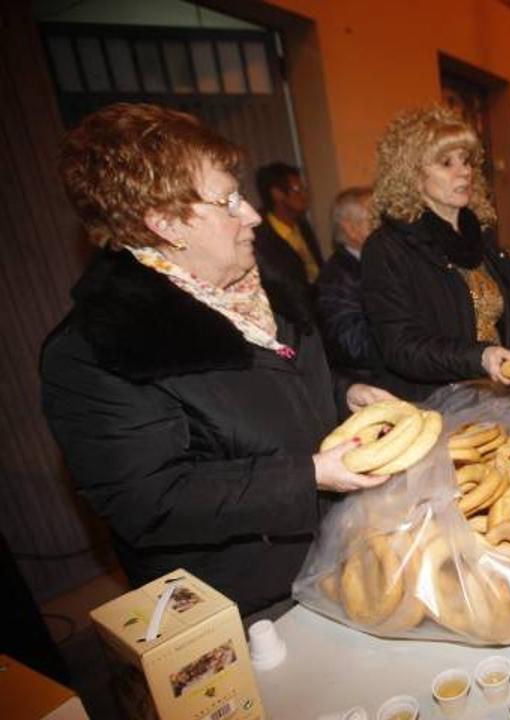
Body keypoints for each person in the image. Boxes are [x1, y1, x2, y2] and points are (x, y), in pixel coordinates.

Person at [41, 104, 393, 614]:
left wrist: (345, 394)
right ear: (164, 223)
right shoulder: (99, 349)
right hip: (246, 603)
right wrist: (309, 476)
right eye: (227, 201)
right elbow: (152, 500)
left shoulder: (259, 287)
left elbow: (284, 388)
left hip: (339, 553)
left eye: (240, 194)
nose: (250, 214)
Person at [361, 105, 510, 401]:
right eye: (446, 163)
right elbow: (400, 346)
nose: (464, 170)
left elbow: (505, 321)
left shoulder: (478, 234)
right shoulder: (388, 247)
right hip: (433, 406)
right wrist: (478, 357)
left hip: (493, 397)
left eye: (466, 161)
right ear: (412, 176)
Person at [316, 186, 377, 381]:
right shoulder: (335, 279)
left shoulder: (379, 263)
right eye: (374, 220)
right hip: (368, 386)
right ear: (350, 228)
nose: (384, 227)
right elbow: (352, 345)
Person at [253, 162, 324, 305]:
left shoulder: (302, 225)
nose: (304, 194)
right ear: (277, 194)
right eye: (297, 189)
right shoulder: (260, 237)